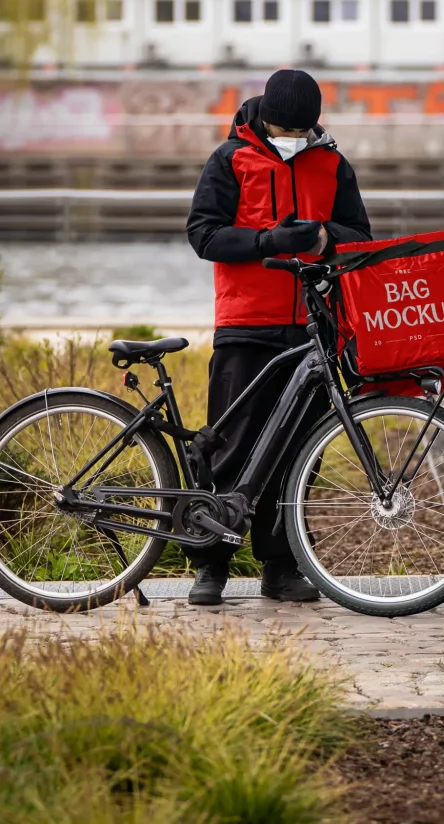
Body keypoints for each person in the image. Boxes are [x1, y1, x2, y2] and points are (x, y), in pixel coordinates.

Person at [185, 68, 372, 605]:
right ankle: (211, 565)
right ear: (265, 119)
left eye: (300, 130)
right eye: (283, 129)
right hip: (244, 325)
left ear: (313, 124)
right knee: (229, 448)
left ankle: (281, 567)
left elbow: (360, 236)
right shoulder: (230, 159)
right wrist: (267, 240)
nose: (291, 137)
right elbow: (203, 234)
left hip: (312, 328)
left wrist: (322, 238)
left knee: (297, 451)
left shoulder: (333, 165)